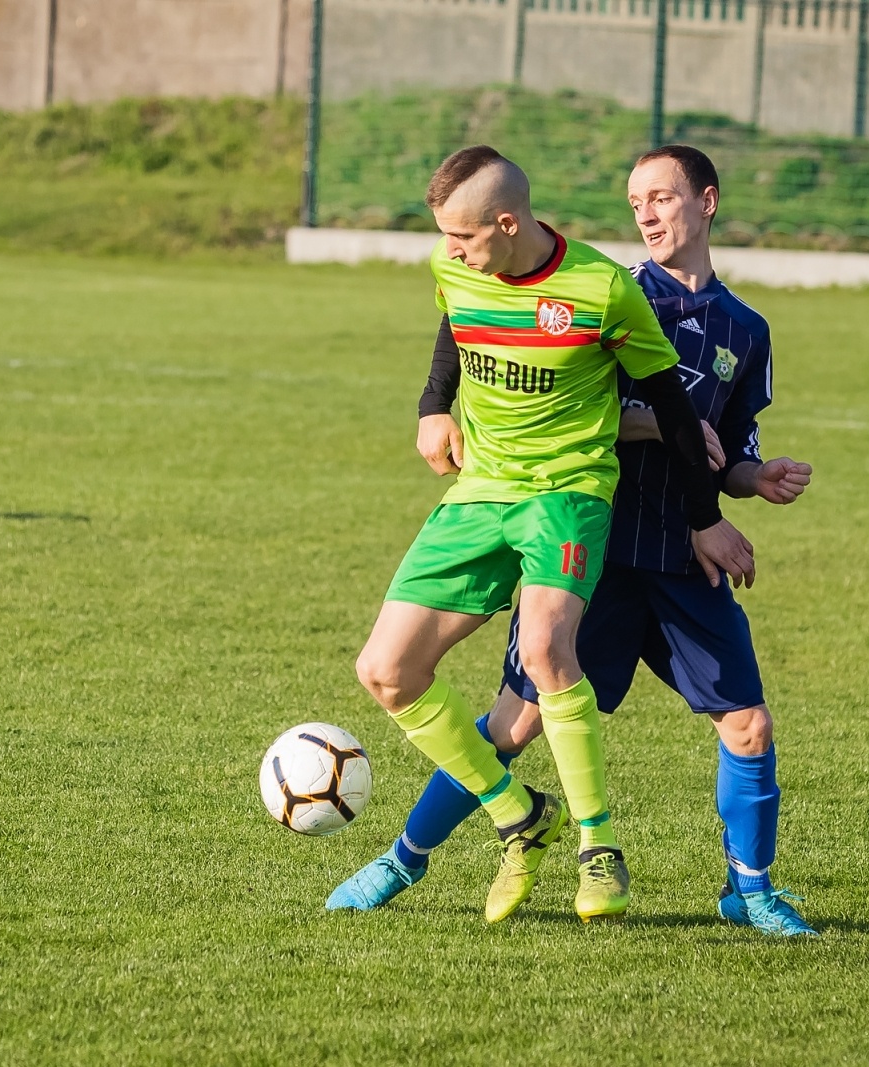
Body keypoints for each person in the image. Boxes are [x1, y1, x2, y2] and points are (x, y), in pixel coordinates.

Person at [332, 145, 819, 937]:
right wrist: (664, 436)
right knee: (512, 724)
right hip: (594, 539)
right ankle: (405, 856)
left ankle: (751, 889)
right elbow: (595, 398)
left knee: (749, 724)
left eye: (662, 198)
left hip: (681, 552)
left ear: (708, 202)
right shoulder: (618, 293)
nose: (649, 214)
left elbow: (724, 443)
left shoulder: (744, 330)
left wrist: (749, 482)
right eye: (636, 202)